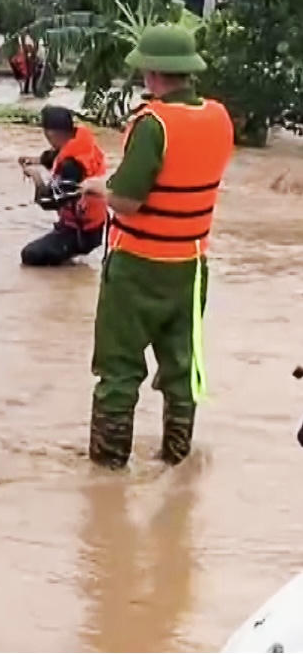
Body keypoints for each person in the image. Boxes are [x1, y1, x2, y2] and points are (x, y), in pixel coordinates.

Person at [81, 25, 234, 469]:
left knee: (119, 372)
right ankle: (177, 462)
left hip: (136, 266)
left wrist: (97, 187)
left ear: (151, 73)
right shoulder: (220, 117)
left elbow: (127, 199)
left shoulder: (153, 124)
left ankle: (107, 474)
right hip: (190, 265)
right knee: (182, 369)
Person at [18, 106, 108, 266]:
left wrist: (36, 177)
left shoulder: (71, 166)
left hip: (82, 233)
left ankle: (71, 268)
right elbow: (53, 157)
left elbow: (48, 202)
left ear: (51, 134)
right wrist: (35, 160)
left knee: (29, 255)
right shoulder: (81, 144)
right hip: (95, 226)